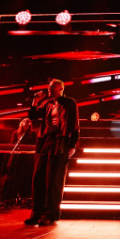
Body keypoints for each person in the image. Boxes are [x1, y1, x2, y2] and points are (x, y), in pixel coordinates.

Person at [24, 79, 80, 226]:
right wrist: (35, 101)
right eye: (49, 87)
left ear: (61, 89)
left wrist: (72, 145)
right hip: (45, 140)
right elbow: (32, 116)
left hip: (60, 141)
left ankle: (49, 214)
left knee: (53, 179)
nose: (50, 89)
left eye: (53, 88)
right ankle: (36, 213)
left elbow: (74, 124)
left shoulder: (69, 103)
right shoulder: (47, 103)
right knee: (38, 177)